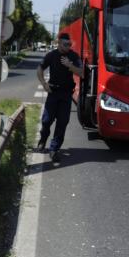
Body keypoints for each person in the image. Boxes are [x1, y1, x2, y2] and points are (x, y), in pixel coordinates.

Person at [36, 33, 82, 162]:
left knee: (62, 122)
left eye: (69, 44)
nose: (68, 46)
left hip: (66, 94)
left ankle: (54, 149)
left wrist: (70, 66)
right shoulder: (51, 55)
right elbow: (40, 69)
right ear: (59, 43)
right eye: (65, 44)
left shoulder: (73, 56)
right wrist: (44, 84)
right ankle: (43, 139)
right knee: (46, 120)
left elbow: (82, 73)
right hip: (53, 92)